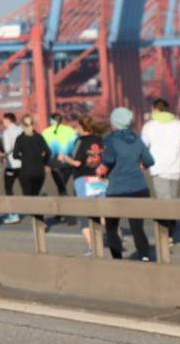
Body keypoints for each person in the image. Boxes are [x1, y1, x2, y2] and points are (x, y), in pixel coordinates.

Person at [100, 107, 155, 261]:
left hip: (117, 190)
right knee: (137, 227)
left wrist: (101, 169)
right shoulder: (137, 139)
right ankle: (144, 257)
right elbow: (149, 161)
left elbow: (108, 160)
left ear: (114, 122)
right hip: (139, 188)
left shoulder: (110, 140)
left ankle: (117, 259)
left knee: (111, 227)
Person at [141, 98, 180, 241]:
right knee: (171, 199)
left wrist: (141, 162)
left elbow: (142, 146)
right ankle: (173, 229)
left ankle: (168, 235)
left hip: (157, 167)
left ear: (154, 109)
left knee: (163, 202)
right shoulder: (179, 124)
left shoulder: (149, 126)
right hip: (175, 167)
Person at [61, 115, 107, 255]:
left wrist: (64, 158)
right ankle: (106, 234)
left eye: (78, 127)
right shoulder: (101, 140)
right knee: (101, 211)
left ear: (82, 127)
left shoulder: (80, 141)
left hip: (83, 179)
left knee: (84, 214)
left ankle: (92, 247)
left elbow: (77, 162)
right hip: (100, 178)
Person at [12, 116, 51, 197]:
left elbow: (15, 155)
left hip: (26, 171)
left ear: (22, 125)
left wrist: (24, 158)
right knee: (35, 196)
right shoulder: (39, 137)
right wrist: (43, 162)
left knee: (27, 197)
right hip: (39, 172)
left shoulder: (20, 139)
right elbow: (48, 152)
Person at [41, 112, 77, 197]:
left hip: (54, 163)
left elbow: (43, 150)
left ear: (51, 121)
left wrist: (45, 164)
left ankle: (63, 203)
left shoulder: (46, 132)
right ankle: (64, 201)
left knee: (61, 188)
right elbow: (76, 146)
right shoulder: (70, 130)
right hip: (68, 163)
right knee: (62, 186)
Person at [0, 112, 24, 224]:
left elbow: (7, 148)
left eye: (3, 121)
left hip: (12, 165)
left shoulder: (7, 132)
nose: (2, 123)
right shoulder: (21, 130)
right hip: (23, 164)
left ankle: (13, 214)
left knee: (9, 189)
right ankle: (37, 213)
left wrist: (0, 155)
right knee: (26, 190)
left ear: (8, 120)